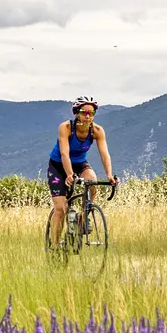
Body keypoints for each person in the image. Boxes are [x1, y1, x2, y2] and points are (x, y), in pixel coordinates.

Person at [47, 97, 114, 250]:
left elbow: (105, 154)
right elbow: (64, 154)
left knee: (92, 181)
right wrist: (70, 175)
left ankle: (83, 220)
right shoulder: (66, 128)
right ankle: (55, 246)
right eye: (84, 112)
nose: (88, 116)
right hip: (58, 166)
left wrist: (110, 175)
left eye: (92, 113)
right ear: (77, 113)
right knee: (61, 208)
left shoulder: (97, 131)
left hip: (80, 164)